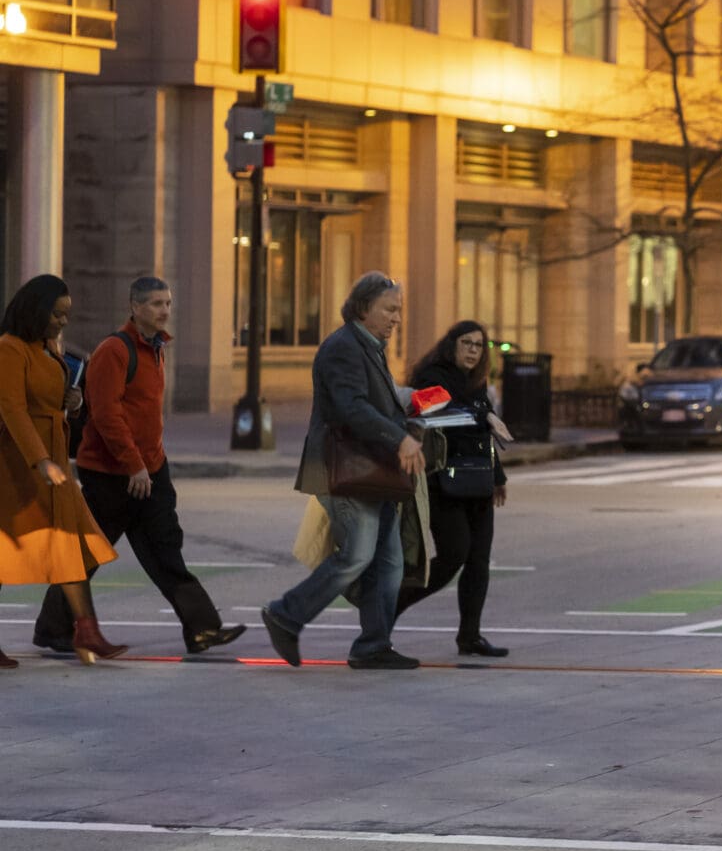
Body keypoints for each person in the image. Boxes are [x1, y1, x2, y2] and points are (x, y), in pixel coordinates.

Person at [33, 277, 248, 656]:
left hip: (149, 470)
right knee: (91, 551)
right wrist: (134, 465)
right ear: (134, 308)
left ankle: (202, 629)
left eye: (167, 302)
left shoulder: (157, 349)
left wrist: (152, 465)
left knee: (166, 550)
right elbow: (106, 416)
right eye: (155, 304)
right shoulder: (114, 351)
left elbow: (144, 415)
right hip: (111, 474)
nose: (165, 310)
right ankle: (54, 627)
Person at [262, 272, 427, 671]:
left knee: (389, 561)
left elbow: (376, 399)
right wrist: (399, 438)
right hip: (347, 470)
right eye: (390, 310)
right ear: (362, 308)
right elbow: (352, 408)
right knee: (356, 555)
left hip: (373, 472)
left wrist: (415, 405)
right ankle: (287, 613)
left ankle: (373, 644)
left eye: (398, 311)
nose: (396, 319)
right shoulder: (343, 348)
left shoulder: (369, 346)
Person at [0, 275, 126, 665]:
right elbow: (13, 409)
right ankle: (86, 631)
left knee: (72, 542)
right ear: (35, 310)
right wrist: (41, 462)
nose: (63, 322)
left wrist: (72, 403)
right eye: (57, 314)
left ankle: (87, 632)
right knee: (7, 549)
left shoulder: (48, 349)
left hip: (52, 462)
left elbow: (51, 404)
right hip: (19, 466)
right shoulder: (10, 349)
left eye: (66, 314)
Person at [396, 320, 510, 657]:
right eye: (467, 343)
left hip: (476, 478)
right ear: (451, 344)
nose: (473, 351)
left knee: (479, 559)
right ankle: (391, 605)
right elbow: (439, 409)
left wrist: (498, 477)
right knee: (453, 554)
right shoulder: (432, 375)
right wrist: (483, 413)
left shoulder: (476, 383)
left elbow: (483, 432)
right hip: (442, 480)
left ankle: (470, 635)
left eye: (479, 345)